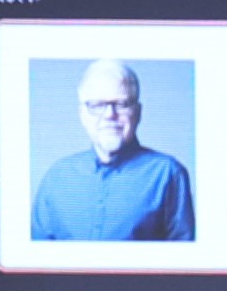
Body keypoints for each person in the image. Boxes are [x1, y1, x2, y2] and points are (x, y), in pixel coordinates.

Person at [26, 60, 192, 243]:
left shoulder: (168, 174)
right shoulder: (57, 177)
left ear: (138, 112)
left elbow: (183, 257)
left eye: (121, 104)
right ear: (82, 114)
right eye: (97, 105)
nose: (109, 115)